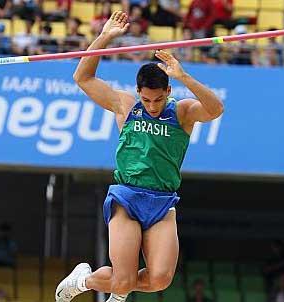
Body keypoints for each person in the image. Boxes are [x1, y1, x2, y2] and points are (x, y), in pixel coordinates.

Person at [55, 11, 224, 302]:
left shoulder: (182, 111)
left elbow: (216, 108)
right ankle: (82, 281)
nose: (152, 105)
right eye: (146, 99)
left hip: (162, 200)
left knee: (159, 279)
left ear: (168, 91)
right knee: (123, 279)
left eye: (158, 99)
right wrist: (105, 36)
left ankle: (114, 290)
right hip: (127, 196)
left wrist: (184, 76)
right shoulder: (126, 105)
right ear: (138, 92)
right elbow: (82, 77)